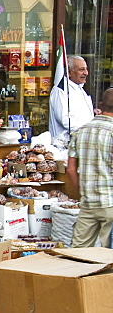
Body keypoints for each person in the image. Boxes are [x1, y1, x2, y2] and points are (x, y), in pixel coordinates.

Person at [66, 87, 113, 248]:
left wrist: (82, 192)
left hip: (88, 203)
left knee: (79, 254)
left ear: (101, 104)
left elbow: (71, 169)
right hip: (110, 204)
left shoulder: (81, 131)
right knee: (109, 257)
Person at [49, 55, 97, 147]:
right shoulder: (61, 91)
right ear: (70, 72)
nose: (86, 73)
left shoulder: (80, 89)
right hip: (65, 146)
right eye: (81, 69)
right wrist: (86, 134)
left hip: (82, 143)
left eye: (86, 69)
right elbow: (65, 120)